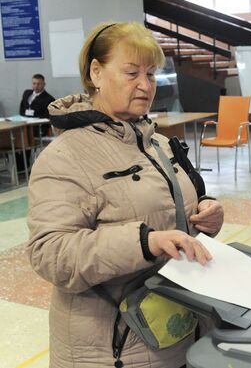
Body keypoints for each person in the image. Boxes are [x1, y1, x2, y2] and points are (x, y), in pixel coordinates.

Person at [25, 22, 224, 368]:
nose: (145, 85)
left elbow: (174, 217)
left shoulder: (159, 144)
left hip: (177, 334)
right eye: (132, 73)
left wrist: (208, 215)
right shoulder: (64, 157)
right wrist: (145, 242)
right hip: (112, 350)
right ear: (96, 73)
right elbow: (51, 254)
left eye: (151, 74)